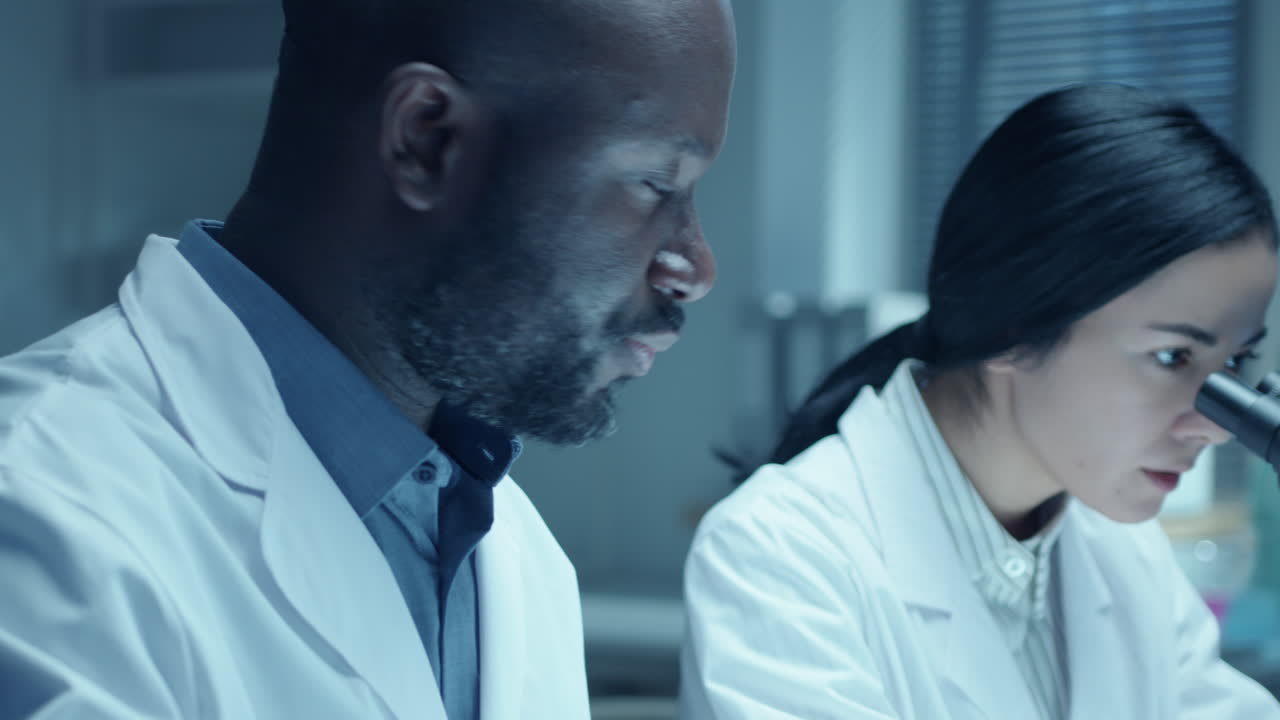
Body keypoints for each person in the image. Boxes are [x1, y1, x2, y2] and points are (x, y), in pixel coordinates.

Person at [0, 0, 735, 717]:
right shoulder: (41, 516)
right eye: (656, 184)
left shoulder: (504, 543)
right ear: (425, 138)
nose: (694, 268)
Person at [680, 83, 1280, 719]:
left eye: (1237, 362)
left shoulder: (1123, 555)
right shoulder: (781, 556)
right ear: (1011, 326)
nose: (1214, 428)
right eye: (1172, 357)